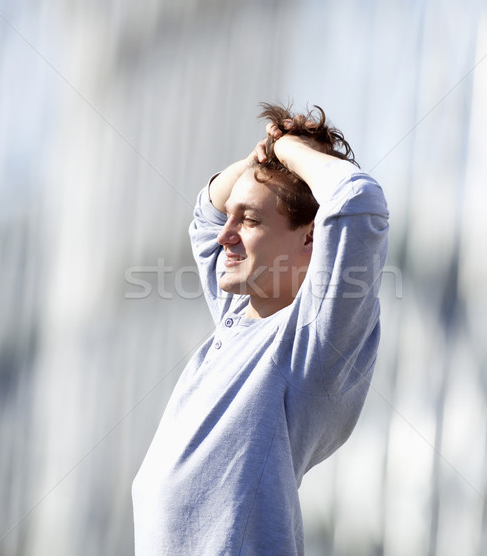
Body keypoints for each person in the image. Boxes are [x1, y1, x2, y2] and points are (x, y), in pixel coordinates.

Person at [132, 103, 390, 555]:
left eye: (249, 221)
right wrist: (261, 159)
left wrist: (286, 148)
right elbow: (205, 214)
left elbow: (357, 200)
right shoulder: (239, 311)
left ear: (310, 237)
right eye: (233, 217)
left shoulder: (312, 343)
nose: (224, 235)